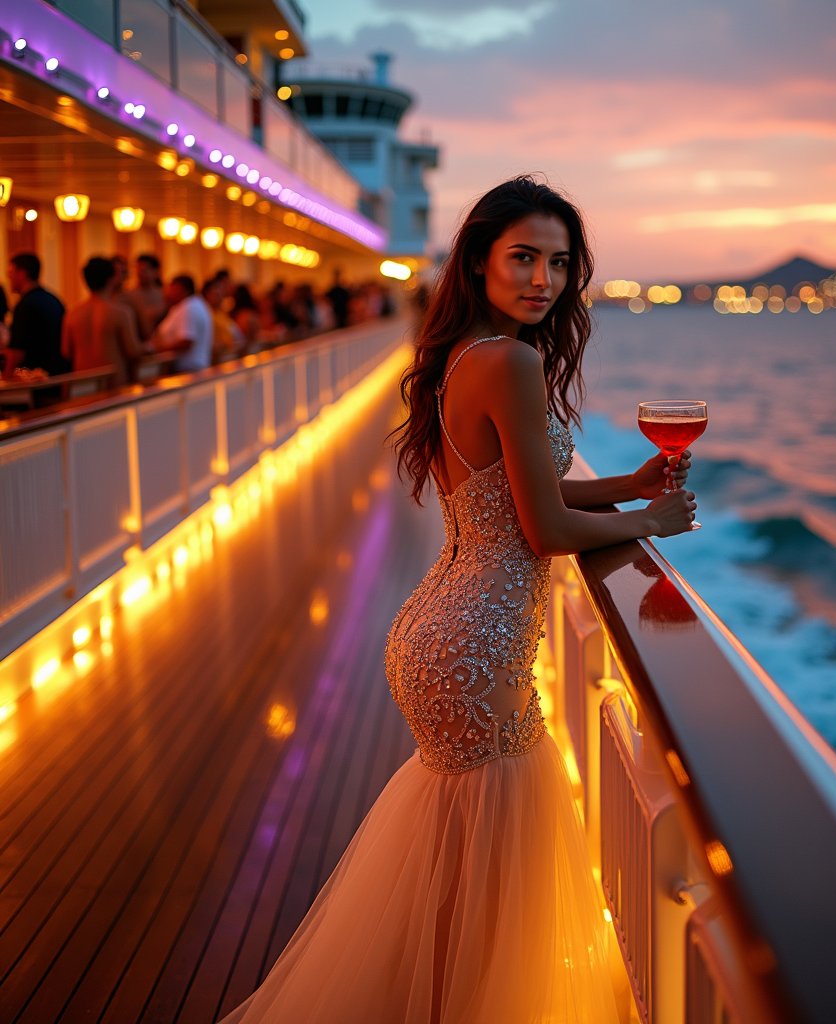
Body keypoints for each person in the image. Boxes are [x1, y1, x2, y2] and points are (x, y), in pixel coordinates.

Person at [216, 176, 696, 1023]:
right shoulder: (510, 361)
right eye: (524, 258)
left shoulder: (467, 354)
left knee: (456, 879)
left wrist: (629, 485)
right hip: (477, 650)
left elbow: (514, 494)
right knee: (487, 889)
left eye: (559, 263)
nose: (544, 279)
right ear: (478, 261)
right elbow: (543, 528)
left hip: (440, 631)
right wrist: (651, 520)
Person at [61, 256, 148, 387]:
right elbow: (133, 351)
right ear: (111, 279)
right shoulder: (121, 313)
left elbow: (66, 352)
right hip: (114, 383)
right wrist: (149, 347)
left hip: (84, 385)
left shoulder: (72, 314)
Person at [7, 252, 68, 377]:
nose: (9, 277)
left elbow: (17, 352)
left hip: (36, 379)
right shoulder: (54, 300)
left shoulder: (25, 305)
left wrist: (6, 377)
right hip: (58, 376)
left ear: (22, 273)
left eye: (11, 273)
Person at [155, 274, 213, 374]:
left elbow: (187, 340)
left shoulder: (189, 307)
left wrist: (159, 349)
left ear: (181, 289)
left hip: (189, 370)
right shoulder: (194, 304)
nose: (168, 293)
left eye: (172, 289)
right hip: (193, 368)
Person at [123, 253, 167, 342]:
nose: (140, 274)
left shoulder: (165, 294)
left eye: (144, 270)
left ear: (155, 272)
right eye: (138, 270)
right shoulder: (130, 295)